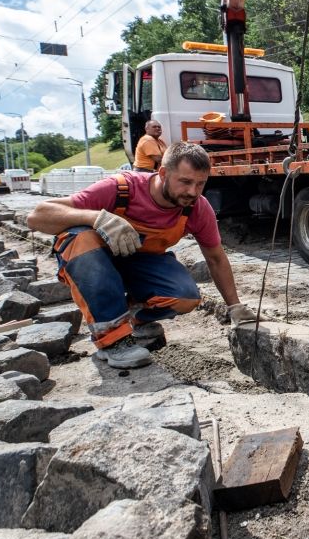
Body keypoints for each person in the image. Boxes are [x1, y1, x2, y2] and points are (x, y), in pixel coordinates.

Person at [26, 141, 257, 369]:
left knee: (186, 296)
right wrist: (95, 218)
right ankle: (114, 340)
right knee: (80, 238)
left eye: (200, 184)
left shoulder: (197, 208)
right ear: (163, 173)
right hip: (97, 264)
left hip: (139, 265)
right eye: (185, 182)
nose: (192, 192)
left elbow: (215, 258)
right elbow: (36, 216)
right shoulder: (121, 189)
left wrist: (234, 306)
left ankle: (134, 318)